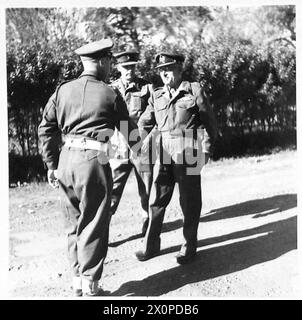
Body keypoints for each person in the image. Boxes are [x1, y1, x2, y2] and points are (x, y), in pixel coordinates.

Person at [38, 39, 139, 296]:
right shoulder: (109, 93)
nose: (110, 68)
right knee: (93, 222)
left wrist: (51, 165)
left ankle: (77, 282)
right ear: (103, 62)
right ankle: (91, 284)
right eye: (109, 63)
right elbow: (130, 133)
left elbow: (45, 128)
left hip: (66, 161)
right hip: (93, 162)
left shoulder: (62, 91)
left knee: (73, 223)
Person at [135, 52, 218, 265]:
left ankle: (188, 246)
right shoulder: (157, 94)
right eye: (162, 70)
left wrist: (206, 149)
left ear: (180, 70)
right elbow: (145, 121)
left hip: (189, 148)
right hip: (163, 150)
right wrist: (134, 143)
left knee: (189, 202)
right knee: (156, 199)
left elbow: (208, 120)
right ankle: (151, 245)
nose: (164, 73)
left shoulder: (194, 89)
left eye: (169, 69)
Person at [109, 51, 153, 235]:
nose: (129, 70)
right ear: (118, 68)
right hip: (117, 148)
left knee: (147, 188)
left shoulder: (146, 88)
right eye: (125, 67)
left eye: (132, 66)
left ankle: (148, 221)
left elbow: (152, 112)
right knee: (111, 191)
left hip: (140, 146)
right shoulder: (110, 89)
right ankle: (103, 228)